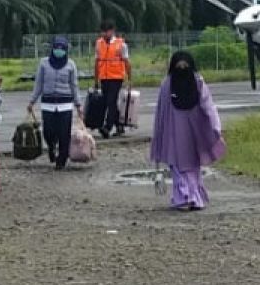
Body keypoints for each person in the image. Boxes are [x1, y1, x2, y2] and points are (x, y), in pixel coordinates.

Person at [149, 51, 226, 211]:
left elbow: (161, 112)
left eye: (184, 66)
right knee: (192, 168)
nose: (182, 69)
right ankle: (194, 198)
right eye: (180, 66)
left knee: (178, 167)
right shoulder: (198, 82)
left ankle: (184, 197)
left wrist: (160, 133)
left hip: (174, 135)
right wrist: (215, 127)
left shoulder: (168, 83)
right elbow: (209, 107)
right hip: (192, 133)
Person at [29, 36, 82, 170]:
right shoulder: (44, 63)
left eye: (62, 48)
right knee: (48, 131)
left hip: (65, 104)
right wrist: (32, 101)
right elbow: (39, 84)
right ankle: (52, 147)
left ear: (66, 50)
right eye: (57, 48)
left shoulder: (71, 64)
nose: (59, 51)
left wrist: (78, 104)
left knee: (64, 134)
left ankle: (61, 160)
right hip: (48, 103)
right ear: (52, 49)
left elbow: (74, 85)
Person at [94, 20, 132, 138]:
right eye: (103, 32)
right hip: (104, 77)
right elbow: (96, 62)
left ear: (112, 31)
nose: (104, 34)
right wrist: (96, 80)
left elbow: (127, 63)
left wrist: (129, 79)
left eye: (107, 32)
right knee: (108, 102)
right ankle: (119, 125)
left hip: (116, 78)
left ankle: (107, 127)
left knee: (111, 101)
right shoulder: (99, 43)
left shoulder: (121, 44)